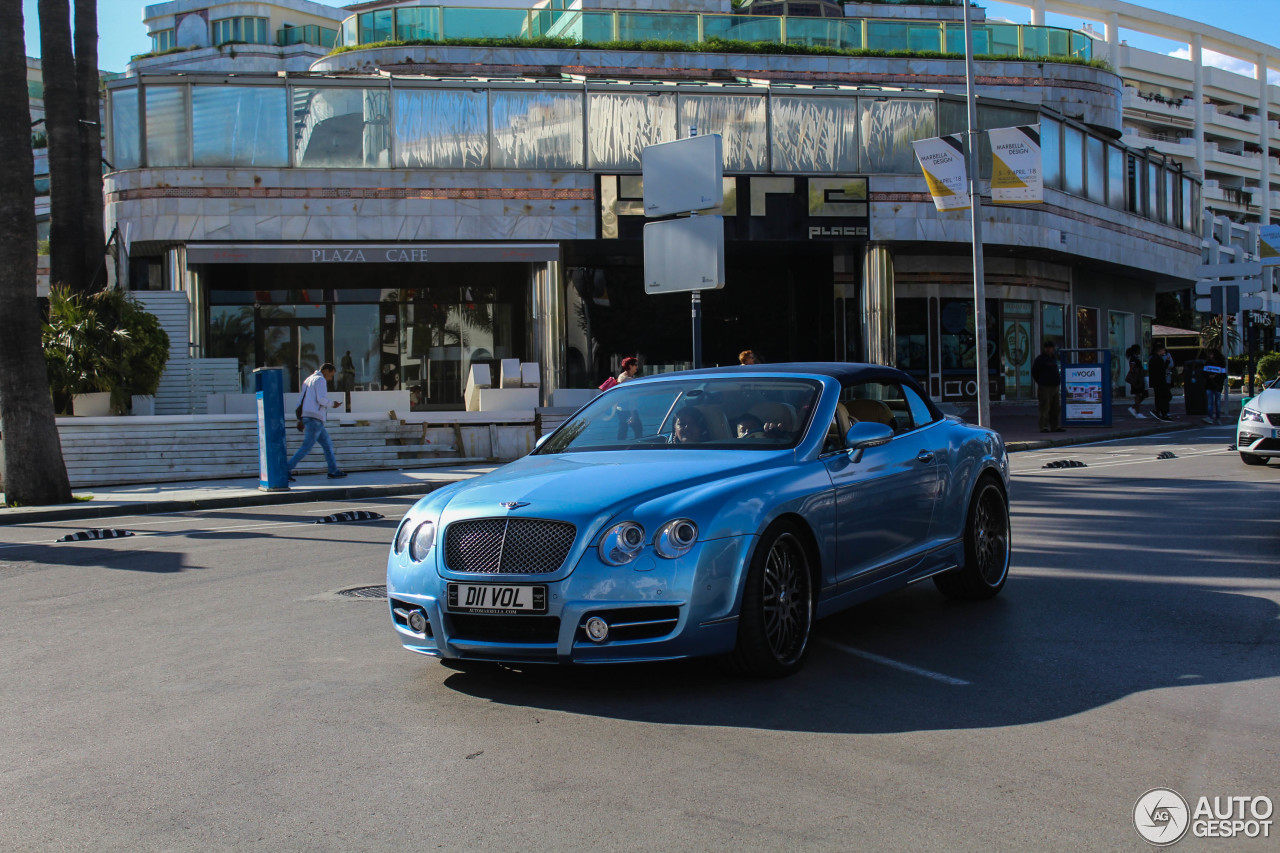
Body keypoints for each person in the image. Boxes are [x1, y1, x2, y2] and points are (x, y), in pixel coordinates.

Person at [289, 363, 346, 479]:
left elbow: (301, 400)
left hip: (309, 417)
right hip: (315, 418)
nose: (330, 378)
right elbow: (321, 399)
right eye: (331, 375)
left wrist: (301, 418)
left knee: (327, 444)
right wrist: (333, 404)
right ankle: (285, 469)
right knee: (307, 446)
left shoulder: (308, 379)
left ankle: (333, 470)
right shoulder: (320, 380)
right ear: (325, 370)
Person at [1030, 339, 1064, 433]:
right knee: (1045, 407)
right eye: (1047, 348)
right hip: (1045, 386)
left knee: (1056, 407)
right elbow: (1034, 372)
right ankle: (1044, 426)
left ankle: (1055, 426)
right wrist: (1041, 381)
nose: (1049, 349)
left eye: (1050, 348)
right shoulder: (1040, 359)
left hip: (1055, 386)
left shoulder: (1054, 358)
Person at [1148, 344, 1173, 422]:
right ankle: (1162, 412)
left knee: (1161, 397)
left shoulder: (1155, 358)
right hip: (1159, 381)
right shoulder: (1157, 359)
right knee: (1164, 396)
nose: (1164, 352)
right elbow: (1161, 369)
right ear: (1160, 350)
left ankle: (1159, 411)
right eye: (1163, 350)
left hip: (1158, 381)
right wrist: (1167, 362)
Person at [1203, 347, 1228, 425]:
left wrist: (1216, 376)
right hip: (1209, 385)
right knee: (1210, 402)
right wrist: (1209, 376)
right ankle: (1210, 417)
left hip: (1217, 386)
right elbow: (1203, 373)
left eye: (1211, 354)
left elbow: (1224, 375)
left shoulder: (1221, 363)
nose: (1210, 356)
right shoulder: (1208, 362)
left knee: (1217, 403)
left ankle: (1218, 418)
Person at [1125, 344, 1148, 419]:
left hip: (1139, 378)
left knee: (1143, 394)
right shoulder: (1133, 359)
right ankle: (1137, 411)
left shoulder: (1135, 358)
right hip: (1137, 379)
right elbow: (1132, 368)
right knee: (1138, 395)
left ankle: (1134, 407)